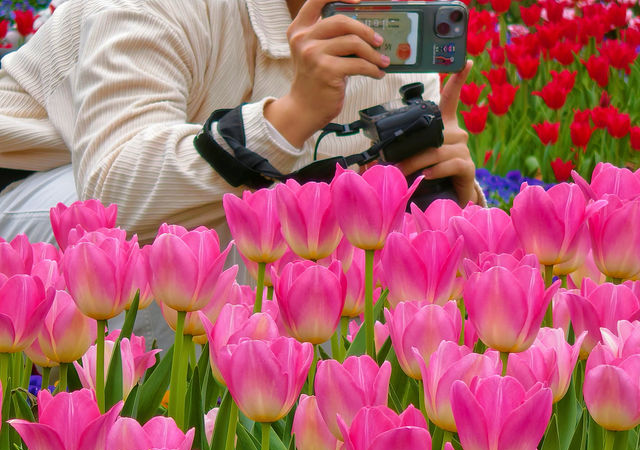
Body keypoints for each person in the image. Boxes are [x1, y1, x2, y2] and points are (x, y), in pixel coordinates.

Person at [0, 0, 481, 342]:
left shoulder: (391, 35)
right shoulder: (156, 6)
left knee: (339, 249)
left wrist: (445, 193)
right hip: (31, 191)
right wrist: (289, 118)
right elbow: (115, 194)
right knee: (218, 243)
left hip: (192, 208)